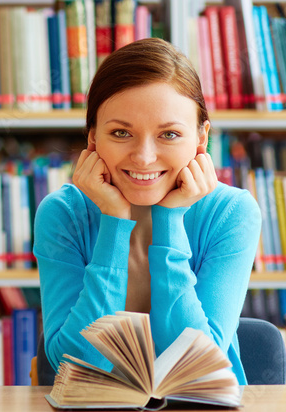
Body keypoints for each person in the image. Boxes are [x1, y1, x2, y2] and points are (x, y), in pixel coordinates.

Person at [34, 37, 261, 384]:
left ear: (201, 139)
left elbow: (197, 366)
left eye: (169, 134)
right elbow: (75, 361)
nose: (143, 157)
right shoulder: (63, 214)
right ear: (93, 138)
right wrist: (113, 222)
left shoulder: (231, 213)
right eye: (121, 132)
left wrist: (169, 221)